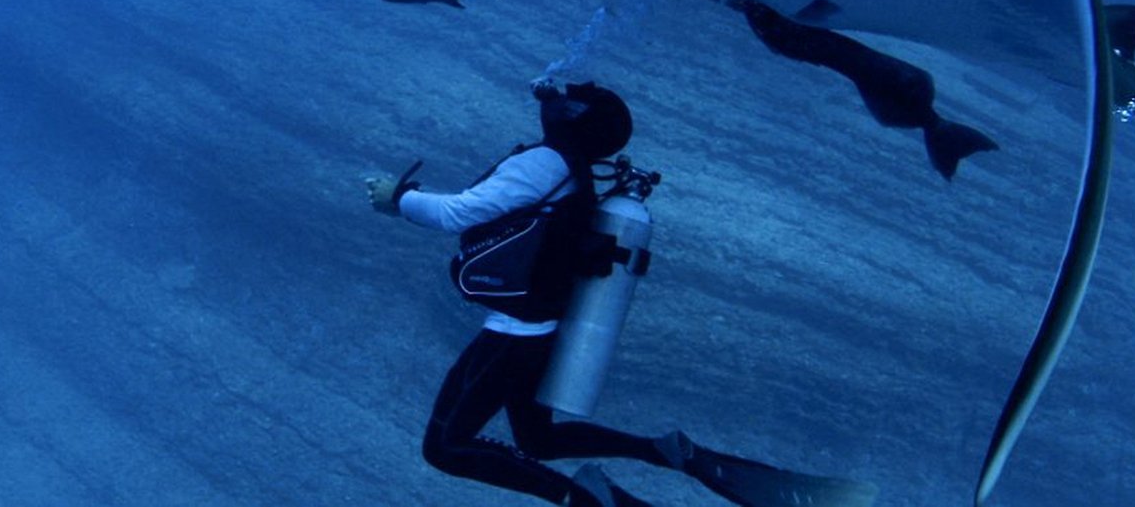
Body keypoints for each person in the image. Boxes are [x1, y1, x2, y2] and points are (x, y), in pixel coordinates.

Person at [366, 80, 879, 507]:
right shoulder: (571, 167)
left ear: (575, 119)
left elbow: (458, 213)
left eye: (573, 97)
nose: (562, 96)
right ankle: (664, 451)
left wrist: (400, 197)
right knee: (537, 439)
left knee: (446, 448)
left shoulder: (546, 163)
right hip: (534, 329)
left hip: (516, 335)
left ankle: (584, 500)